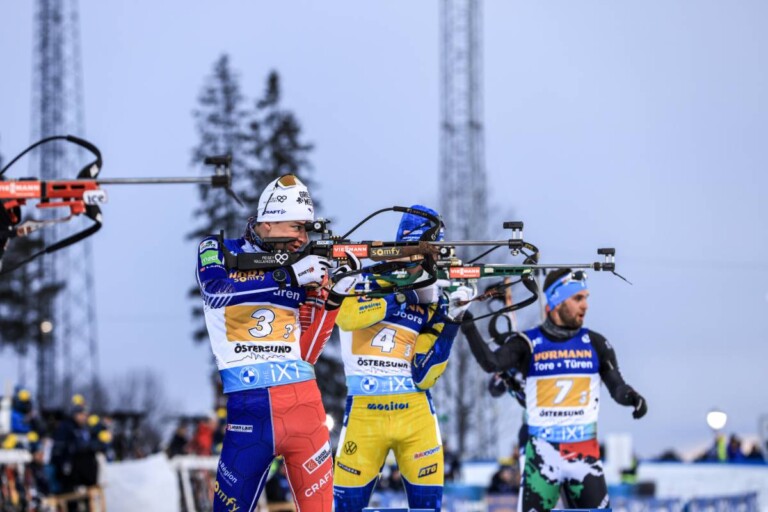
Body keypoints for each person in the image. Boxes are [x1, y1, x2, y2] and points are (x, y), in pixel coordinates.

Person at [197, 174, 347, 511]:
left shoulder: (305, 268)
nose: (303, 238)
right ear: (268, 222)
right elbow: (215, 292)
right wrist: (288, 276)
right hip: (249, 413)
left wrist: (332, 299)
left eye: (307, 230)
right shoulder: (217, 249)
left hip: (305, 409)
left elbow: (307, 354)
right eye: (297, 227)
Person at [462, 268, 648, 512]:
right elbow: (491, 364)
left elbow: (617, 386)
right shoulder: (527, 343)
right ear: (557, 301)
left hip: (584, 457)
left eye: (586, 298)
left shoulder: (596, 343)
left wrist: (632, 398)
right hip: (542, 456)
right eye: (578, 298)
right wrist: (466, 323)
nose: (585, 305)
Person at [332, 205, 474, 512]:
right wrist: (403, 296)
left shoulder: (432, 299)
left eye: (436, 252)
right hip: (364, 414)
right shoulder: (366, 279)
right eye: (428, 249)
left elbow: (425, 375)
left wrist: (452, 320)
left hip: (415, 415)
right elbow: (346, 317)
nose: (432, 259)